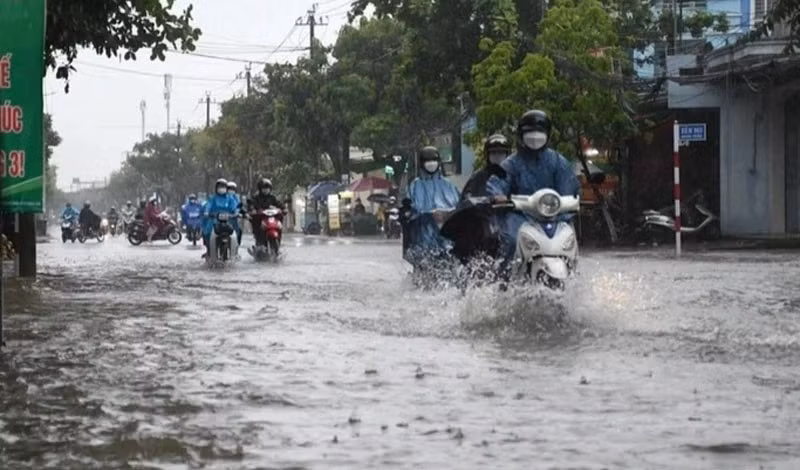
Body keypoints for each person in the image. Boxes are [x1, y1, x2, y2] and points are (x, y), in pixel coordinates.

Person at [487, 109, 580, 274]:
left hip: (555, 216)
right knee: (511, 240)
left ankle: (573, 274)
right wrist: (498, 196)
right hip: (521, 216)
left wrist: (572, 201)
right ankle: (504, 279)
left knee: (569, 239)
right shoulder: (512, 163)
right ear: (521, 135)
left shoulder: (558, 162)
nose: (535, 137)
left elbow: (569, 187)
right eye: (530, 132)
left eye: (540, 132)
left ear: (548, 134)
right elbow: (498, 183)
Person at [405, 146, 460, 266]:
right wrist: (429, 215)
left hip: (447, 236)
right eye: (427, 161)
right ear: (421, 163)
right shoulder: (414, 186)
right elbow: (409, 211)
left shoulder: (449, 185)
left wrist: (448, 214)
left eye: (434, 160)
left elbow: (459, 206)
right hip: (424, 237)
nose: (431, 164)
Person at [461, 133, 512, 200]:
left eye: (500, 152)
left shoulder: (514, 176)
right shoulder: (478, 176)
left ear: (507, 154)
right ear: (487, 155)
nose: (497, 155)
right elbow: (465, 199)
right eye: (493, 152)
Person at [203, 178, 238, 258]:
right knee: (207, 232)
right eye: (220, 187)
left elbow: (234, 207)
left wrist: (236, 213)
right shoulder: (213, 198)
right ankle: (209, 250)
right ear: (216, 188)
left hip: (228, 220)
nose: (221, 189)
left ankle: (235, 251)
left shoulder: (230, 198)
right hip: (214, 220)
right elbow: (208, 205)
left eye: (223, 187)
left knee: (237, 231)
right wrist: (207, 212)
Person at [247, 177, 285, 248]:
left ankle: (278, 243)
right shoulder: (256, 197)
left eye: (267, 188)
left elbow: (279, 204)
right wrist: (253, 210)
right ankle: (259, 242)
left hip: (271, 217)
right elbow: (251, 204)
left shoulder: (272, 197)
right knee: (256, 224)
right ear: (260, 189)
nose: (266, 190)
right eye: (264, 188)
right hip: (260, 218)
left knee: (279, 223)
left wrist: (283, 209)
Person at [227, 181, 243, 246]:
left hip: (234, 219)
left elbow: (238, 207)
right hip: (223, 219)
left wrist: (238, 213)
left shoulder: (236, 198)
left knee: (239, 231)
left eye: (233, 189)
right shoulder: (223, 197)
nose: (231, 190)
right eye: (230, 189)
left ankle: (237, 246)